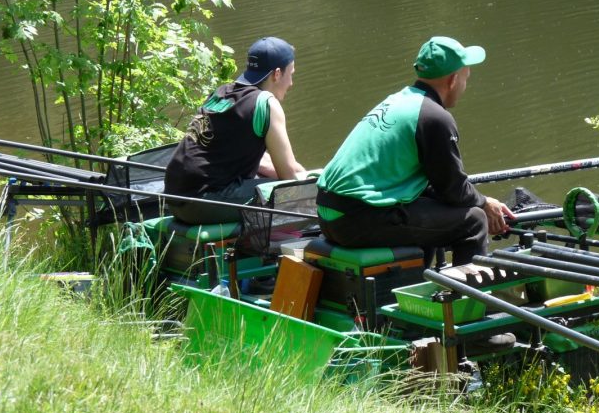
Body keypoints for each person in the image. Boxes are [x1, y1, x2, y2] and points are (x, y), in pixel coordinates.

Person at [316, 36, 514, 266]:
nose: (465, 86)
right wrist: (484, 203)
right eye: (466, 78)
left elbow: (436, 185)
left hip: (328, 215)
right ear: (452, 80)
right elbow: (453, 190)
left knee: (429, 211)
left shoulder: (398, 101)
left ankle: (417, 285)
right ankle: (466, 298)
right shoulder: (434, 117)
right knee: (474, 222)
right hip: (356, 220)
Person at [165, 36, 305, 224]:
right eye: (291, 74)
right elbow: (289, 178)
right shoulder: (266, 103)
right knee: (291, 196)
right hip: (202, 205)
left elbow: (263, 163)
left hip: (175, 200)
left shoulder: (222, 93)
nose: (291, 83)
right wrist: (311, 185)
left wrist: (300, 171)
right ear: (277, 74)